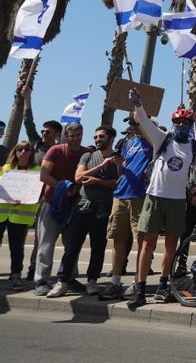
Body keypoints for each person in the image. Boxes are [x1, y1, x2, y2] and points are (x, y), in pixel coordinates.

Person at [128, 95, 196, 309]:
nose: (181, 127)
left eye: (186, 123)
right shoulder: (163, 139)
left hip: (177, 201)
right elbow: (145, 122)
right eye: (178, 123)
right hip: (155, 196)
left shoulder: (194, 148)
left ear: (191, 126)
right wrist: (139, 105)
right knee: (148, 243)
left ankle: (163, 286)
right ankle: (139, 288)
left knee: (171, 245)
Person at [48, 125, 120, 297]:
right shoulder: (87, 156)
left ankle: (92, 281)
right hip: (83, 207)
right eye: (96, 137)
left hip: (103, 209)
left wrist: (97, 181)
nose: (97, 140)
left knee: (98, 247)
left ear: (111, 138)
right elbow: (79, 177)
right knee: (72, 246)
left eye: (101, 137)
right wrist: (101, 166)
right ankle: (62, 281)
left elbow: (117, 183)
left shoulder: (118, 159)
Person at [100, 114, 153, 300]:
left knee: (141, 241)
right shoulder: (128, 143)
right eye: (131, 123)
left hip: (140, 196)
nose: (132, 126)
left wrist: (142, 118)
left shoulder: (154, 139)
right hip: (121, 194)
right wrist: (121, 164)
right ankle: (115, 281)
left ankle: (137, 281)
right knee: (118, 238)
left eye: (135, 123)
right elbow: (124, 169)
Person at [33, 119, 87, 295]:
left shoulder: (87, 153)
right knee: (46, 244)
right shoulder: (55, 150)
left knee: (72, 245)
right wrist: (62, 187)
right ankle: (41, 281)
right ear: (66, 135)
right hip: (52, 203)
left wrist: (76, 190)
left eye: (78, 135)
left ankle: (68, 278)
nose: (75, 139)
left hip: (75, 205)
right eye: (71, 136)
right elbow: (43, 174)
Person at [0, 140, 40, 288]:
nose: (23, 152)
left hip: (21, 215)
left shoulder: (37, 170)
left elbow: (39, 191)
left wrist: (27, 197)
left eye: (27, 149)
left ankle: (16, 276)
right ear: (15, 152)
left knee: (17, 248)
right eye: (20, 149)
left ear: (31, 153)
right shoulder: (6, 169)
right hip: (1, 214)